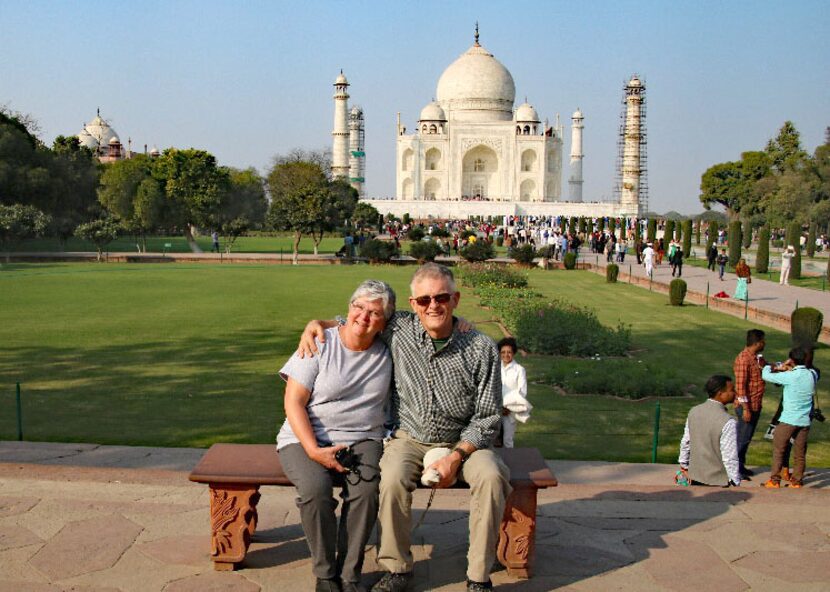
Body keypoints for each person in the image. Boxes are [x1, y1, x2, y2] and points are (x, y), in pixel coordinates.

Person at [299, 263, 510, 592]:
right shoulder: (399, 330)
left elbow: (487, 416)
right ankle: (398, 569)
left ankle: (479, 576)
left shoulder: (480, 347)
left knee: (493, 477)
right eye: (424, 300)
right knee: (391, 477)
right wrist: (319, 324)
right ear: (413, 305)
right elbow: (359, 321)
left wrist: (454, 457)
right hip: (410, 438)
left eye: (441, 297)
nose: (433, 306)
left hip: (466, 442)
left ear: (455, 298)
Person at [278, 280, 396, 592]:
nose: (364, 316)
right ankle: (325, 574)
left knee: (366, 491)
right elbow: (293, 402)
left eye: (374, 312)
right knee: (315, 491)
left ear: (385, 321)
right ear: (348, 308)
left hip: (363, 437)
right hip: (305, 436)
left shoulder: (390, 349)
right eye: (358, 307)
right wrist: (314, 450)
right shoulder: (320, 342)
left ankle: (349, 574)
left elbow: (432, 321)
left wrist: (461, 323)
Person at [761, 347, 818, 488]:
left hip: (788, 420)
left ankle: (774, 480)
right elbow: (808, 371)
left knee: (779, 449)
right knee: (800, 453)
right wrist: (789, 366)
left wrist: (770, 366)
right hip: (804, 420)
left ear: (792, 360)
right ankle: (797, 481)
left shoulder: (790, 376)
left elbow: (767, 376)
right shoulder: (812, 374)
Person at [678, 375, 741, 487]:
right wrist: (735, 481)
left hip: (694, 476)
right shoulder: (728, 421)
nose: (735, 393)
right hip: (717, 481)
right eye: (731, 390)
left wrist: (684, 465)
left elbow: (686, 442)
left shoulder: (694, 411)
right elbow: (729, 456)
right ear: (720, 393)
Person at [732, 329, 766, 479]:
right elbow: (740, 388)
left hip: (755, 404)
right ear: (757, 343)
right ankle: (735, 469)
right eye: (763, 341)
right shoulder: (743, 360)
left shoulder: (756, 358)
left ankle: (740, 465)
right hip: (747, 406)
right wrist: (745, 409)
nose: (765, 343)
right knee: (742, 438)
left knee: (747, 437)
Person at [497, 337, 530, 448]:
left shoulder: (519, 370)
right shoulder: (495, 368)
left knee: (507, 440)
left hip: (510, 411)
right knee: (492, 440)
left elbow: (522, 392)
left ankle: (508, 464)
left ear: (514, 353)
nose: (506, 355)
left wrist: (508, 408)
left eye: (509, 352)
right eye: (503, 352)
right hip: (495, 409)